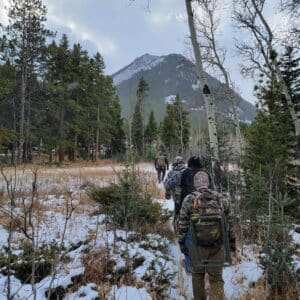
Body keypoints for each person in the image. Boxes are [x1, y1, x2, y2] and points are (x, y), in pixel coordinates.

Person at [178, 171, 235, 300]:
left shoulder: (188, 200)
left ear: (195, 184)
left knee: (198, 277)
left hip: (196, 247)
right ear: (208, 183)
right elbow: (230, 222)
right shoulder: (221, 198)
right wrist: (232, 242)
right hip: (217, 245)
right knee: (216, 279)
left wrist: (182, 243)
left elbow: (182, 224)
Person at [163, 156, 186, 232]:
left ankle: (177, 227)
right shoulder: (187, 170)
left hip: (176, 195)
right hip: (187, 194)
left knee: (177, 210)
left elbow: (167, 184)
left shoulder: (172, 172)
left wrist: (167, 193)